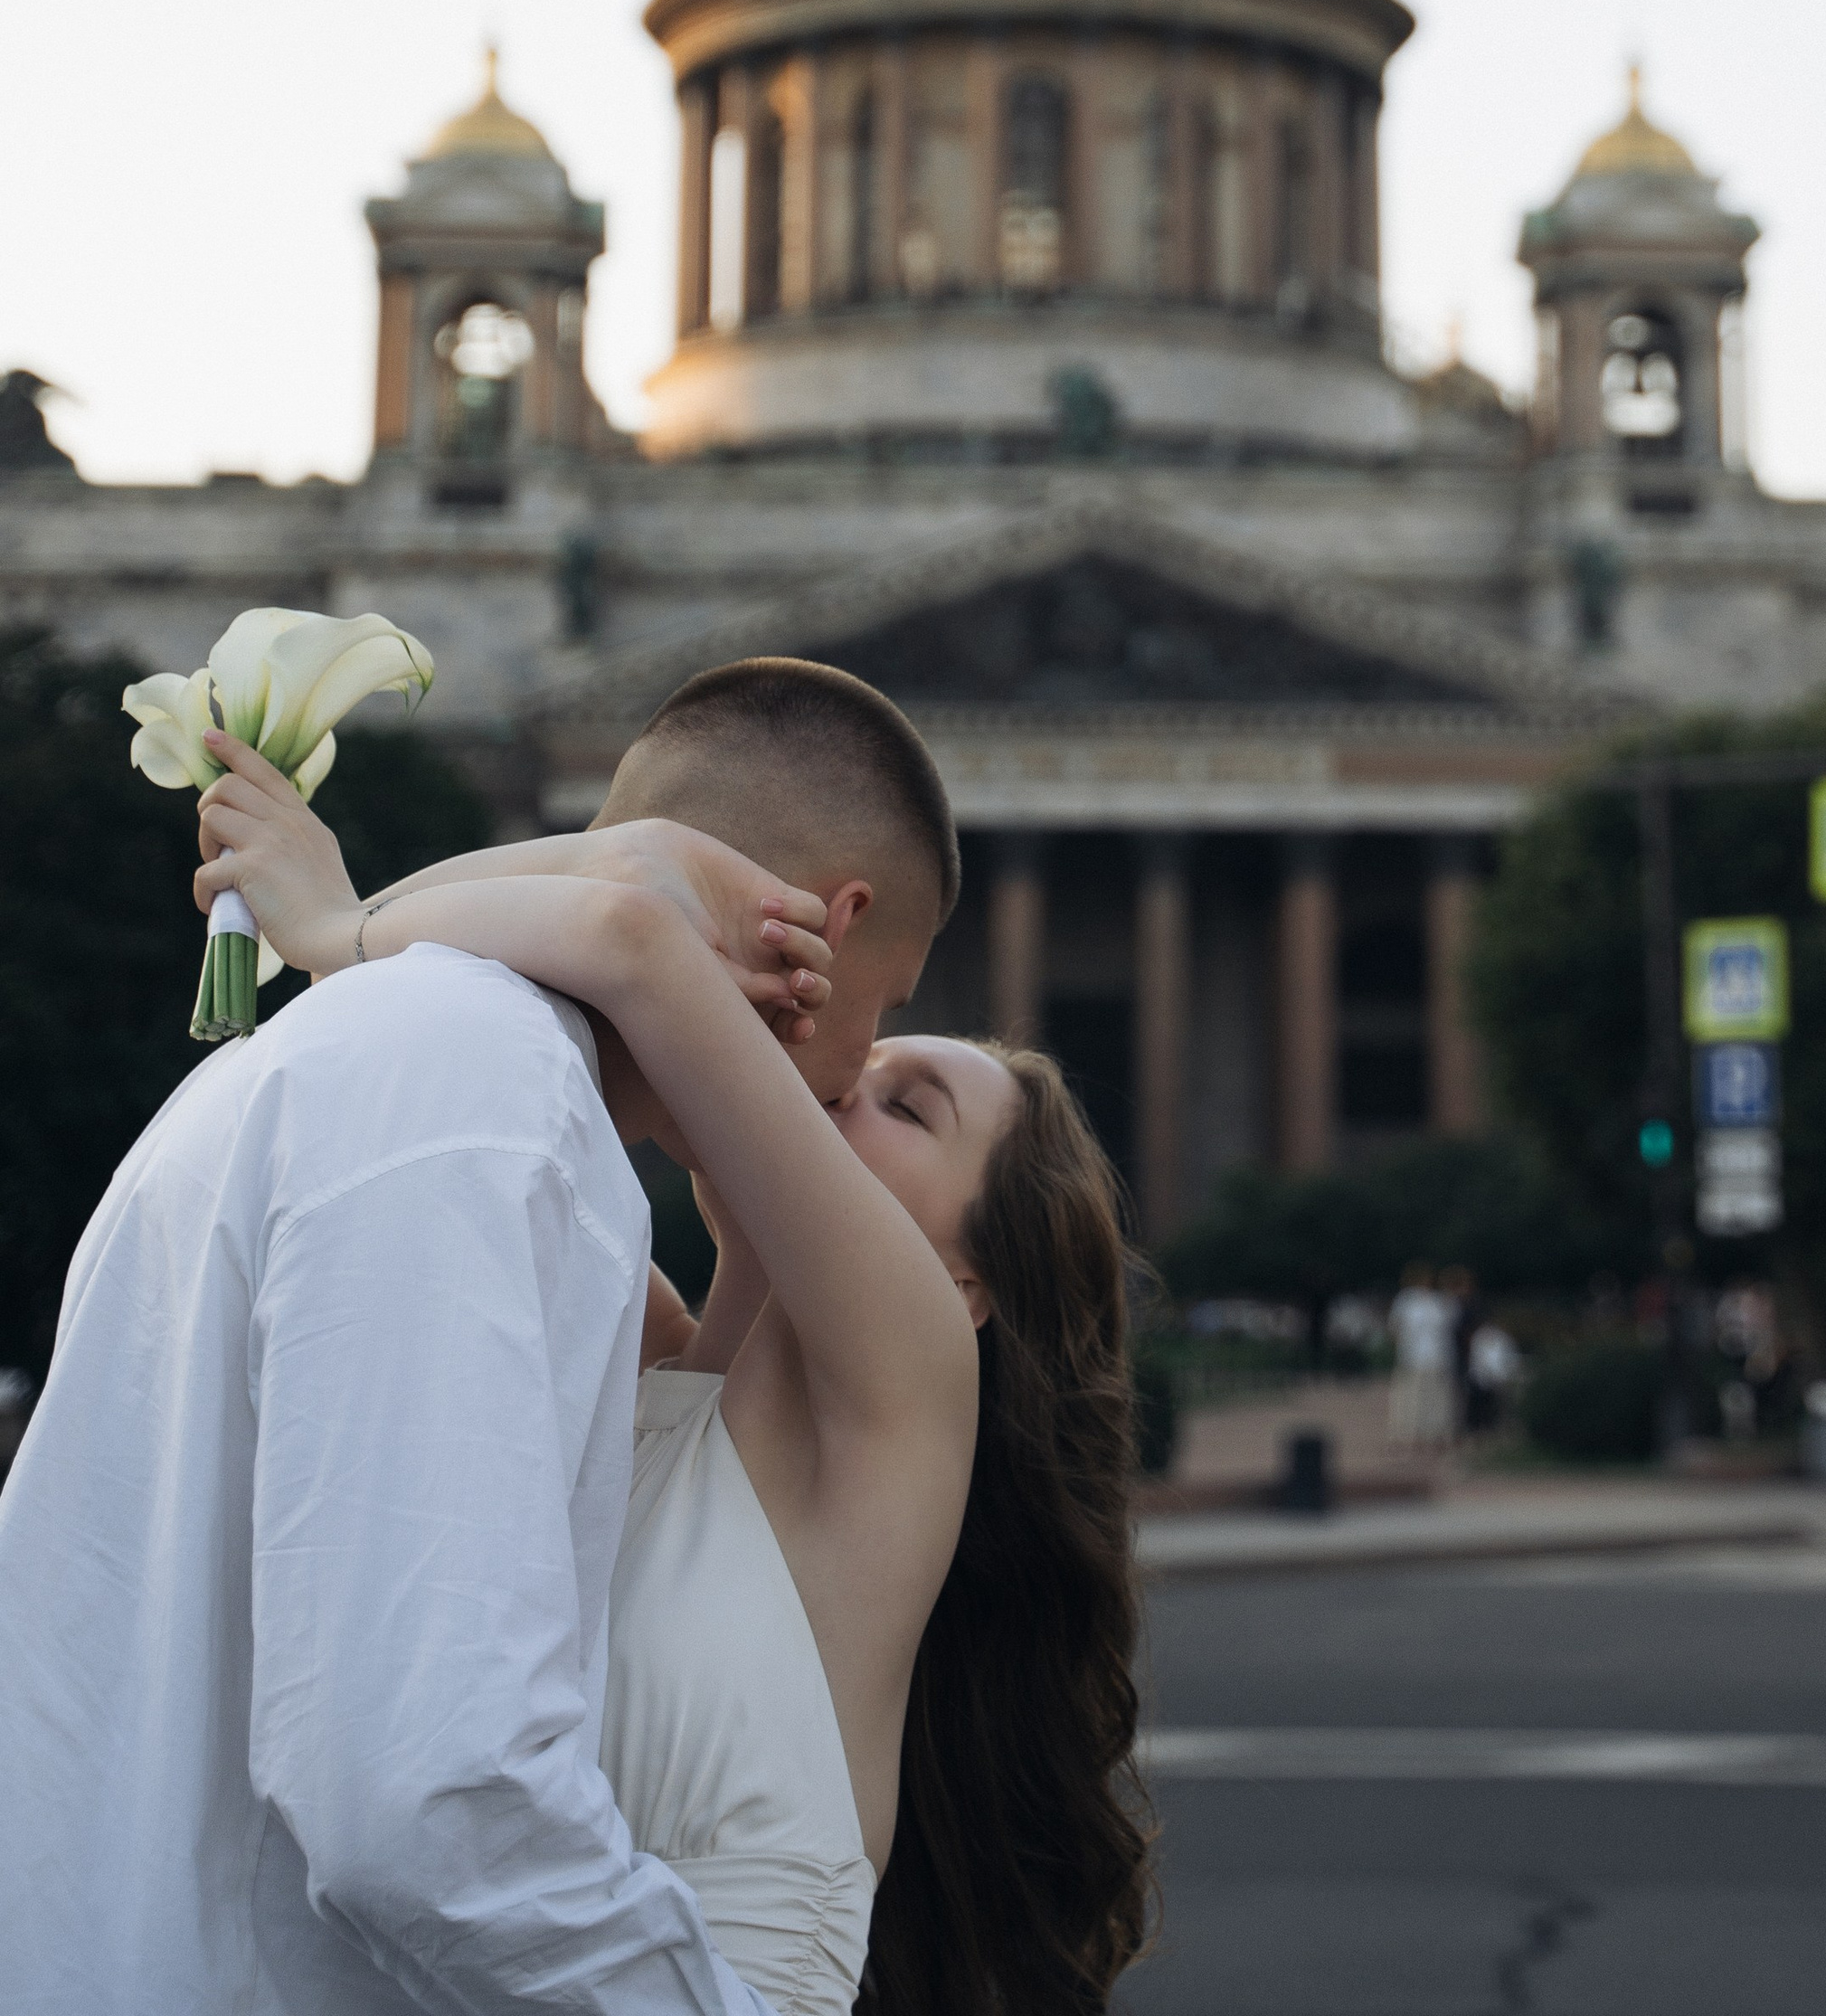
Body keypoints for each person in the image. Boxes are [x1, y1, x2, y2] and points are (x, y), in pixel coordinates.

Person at [200, 673, 1152, 2016]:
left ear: (965, 1276)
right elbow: (587, 931)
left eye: (907, 1101)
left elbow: (630, 945)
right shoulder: (653, 1348)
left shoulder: (913, 1375)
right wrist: (641, 852)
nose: (845, 1053)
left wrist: (343, 925)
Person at [0, 658, 930, 2011]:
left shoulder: (391, 1068)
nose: (854, 1080)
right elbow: (424, 1796)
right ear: (830, 923)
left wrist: (375, 912)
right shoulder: (487, 1107)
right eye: (891, 1003)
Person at [1385, 1262, 1461, 1451]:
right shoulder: (1406, 1300)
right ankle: (1407, 1435)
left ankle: (1436, 1435)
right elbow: (1395, 1327)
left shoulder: (1441, 1301)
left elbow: (1453, 1323)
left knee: (1438, 1398)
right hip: (1412, 1357)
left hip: (1438, 1357)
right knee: (1409, 1398)